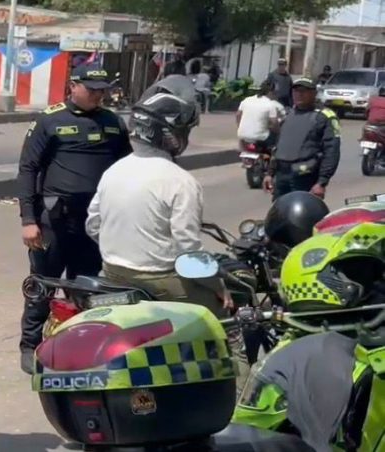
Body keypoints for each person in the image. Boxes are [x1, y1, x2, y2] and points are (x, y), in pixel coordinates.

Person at [16, 64, 132, 374]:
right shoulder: (50, 120)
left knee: (89, 289)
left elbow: (127, 168)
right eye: (91, 89)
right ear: (73, 86)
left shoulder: (113, 122)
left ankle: (81, 346)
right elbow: (28, 169)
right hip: (54, 220)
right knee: (42, 285)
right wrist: (29, 219)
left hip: (93, 224)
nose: (98, 94)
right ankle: (30, 345)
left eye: (102, 90)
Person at [86, 75, 230, 314]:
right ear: (172, 134)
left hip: (112, 273)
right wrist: (217, 285)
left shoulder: (113, 171)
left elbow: (93, 226)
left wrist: (123, 249)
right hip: (160, 279)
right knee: (225, 313)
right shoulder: (181, 181)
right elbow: (188, 248)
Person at [263, 78, 341, 200]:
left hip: (305, 176)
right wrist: (270, 173)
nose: (299, 94)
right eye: (296, 91)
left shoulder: (325, 116)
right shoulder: (288, 114)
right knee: (279, 213)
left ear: (314, 93)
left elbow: (331, 151)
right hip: (282, 175)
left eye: (304, 91)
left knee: (303, 215)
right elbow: (278, 145)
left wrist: (322, 182)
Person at [236, 82, 285, 150]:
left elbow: (238, 115)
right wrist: (278, 132)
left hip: (242, 135)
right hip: (260, 138)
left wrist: (240, 126)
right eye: (275, 93)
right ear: (270, 92)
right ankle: (270, 155)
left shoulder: (246, 100)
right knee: (275, 137)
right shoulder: (270, 104)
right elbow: (274, 123)